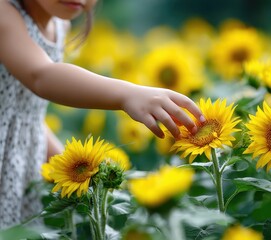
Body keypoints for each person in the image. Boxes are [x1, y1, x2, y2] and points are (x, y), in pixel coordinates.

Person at [0, 0, 205, 228]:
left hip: (16, 174)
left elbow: (26, 115)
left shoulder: (59, 25)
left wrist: (70, 164)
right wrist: (127, 95)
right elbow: (41, 75)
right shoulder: (3, 15)